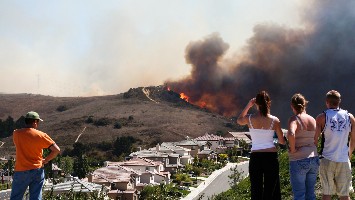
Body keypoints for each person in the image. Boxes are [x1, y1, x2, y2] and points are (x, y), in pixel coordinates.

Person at [237, 91, 286, 200]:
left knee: (256, 190)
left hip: (256, 158)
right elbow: (282, 141)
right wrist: (276, 143)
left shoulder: (249, 118)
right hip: (271, 158)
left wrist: (248, 105)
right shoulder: (275, 120)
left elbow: (239, 120)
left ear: (256, 104)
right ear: (269, 103)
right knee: (270, 191)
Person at [314, 90, 355, 200]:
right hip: (343, 159)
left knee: (327, 194)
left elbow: (315, 140)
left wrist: (315, 156)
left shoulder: (321, 117)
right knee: (344, 195)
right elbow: (353, 140)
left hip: (327, 158)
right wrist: (348, 155)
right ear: (339, 101)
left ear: (327, 102)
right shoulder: (350, 117)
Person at [10, 111, 60, 200]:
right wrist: (46, 160)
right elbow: (56, 150)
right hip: (37, 170)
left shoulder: (16, 133)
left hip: (21, 170)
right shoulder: (41, 135)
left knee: (16, 197)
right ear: (35, 122)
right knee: (36, 197)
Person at [287, 93, 319, 200]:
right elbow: (316, 138)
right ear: (305, 104)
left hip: (299, 159)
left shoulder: (294, 119)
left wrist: (293, 149)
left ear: (292, 106)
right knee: (311, 194)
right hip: (314, 158)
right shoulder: (313, 119)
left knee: (299, 195)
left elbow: (291, 133)